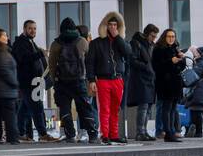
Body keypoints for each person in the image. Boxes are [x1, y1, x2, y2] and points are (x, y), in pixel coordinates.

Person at [48, 17, 98, 143]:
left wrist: (54, 80)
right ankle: (92, 135)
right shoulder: (82, 42)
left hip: (62, 82)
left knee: (65, 108)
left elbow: (52, 65)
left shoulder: (56, 44)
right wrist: (90, 78)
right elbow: (90, 61)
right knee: (85, 108)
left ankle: (70, 135)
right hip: (79, 80)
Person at [87, 11, 131, 144]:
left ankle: (114, 134)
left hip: (118, 79)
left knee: (115, 109)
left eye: (115, 25)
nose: (112, 27)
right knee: (104, 108)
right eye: (110, 25)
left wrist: (117, 37)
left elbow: (128, 52)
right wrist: (91, 80)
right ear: (105, 26)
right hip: (103, 79)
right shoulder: (96, 43)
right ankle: (105, 134)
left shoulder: (120, 41)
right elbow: (90, 63)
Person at [11, 20, 55, 142]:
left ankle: (20, 133)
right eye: (30, 28)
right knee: (37, 108)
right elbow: (23, 59)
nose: (33, 31)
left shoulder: (30, 42)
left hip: (33, 82)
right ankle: (43, 134)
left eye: (35, 28)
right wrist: (40, 53)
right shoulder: (20, 43)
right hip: (28, 82)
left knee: (24, 109)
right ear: (24, 29)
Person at [151, 28, 186, 143]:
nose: (171, 39)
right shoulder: (159, 49)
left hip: (175, 82)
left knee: (173, 108)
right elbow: (156, 66)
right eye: (169, 36)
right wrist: (171, 61)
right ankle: (168, 132)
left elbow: (181, 67)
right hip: (165, 83)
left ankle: (172, 130)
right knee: (166, 107)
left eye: (173, 37)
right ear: (164, 37)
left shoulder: (175, 48)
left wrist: (181, 59)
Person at [126, 24, 159, 141]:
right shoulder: (136, 43)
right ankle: (140, 132)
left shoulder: (151, 45)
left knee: (148, 107)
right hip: (141, 79)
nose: (153, 38)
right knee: (143, 107)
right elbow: (132, 60)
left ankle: (144, 131)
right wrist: (146, 67)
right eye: (152, 36)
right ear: (146, 34)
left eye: (155, 36)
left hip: (150, 79)